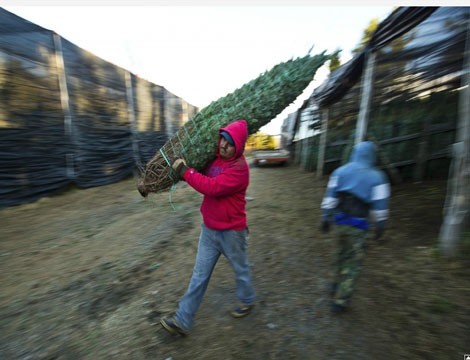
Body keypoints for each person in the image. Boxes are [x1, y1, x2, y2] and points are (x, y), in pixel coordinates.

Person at [160, 119, 256, 336]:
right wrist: (187, 164)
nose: (223, 145)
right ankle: (182, 320)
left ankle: (247, 299)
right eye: (223, 139)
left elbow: (211, 187)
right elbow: (201, 172)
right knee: (199, 275)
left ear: (238, 147)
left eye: (229, 144)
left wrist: (185, 170)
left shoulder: (239, 169)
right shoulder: (216, 160)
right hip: (210, 230)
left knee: (241, 269)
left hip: (232, 232)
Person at [320, 141, 390, 313]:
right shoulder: (378, 177)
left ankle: (335, 284)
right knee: (352, 263)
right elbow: (380, 206)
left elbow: (331, 198)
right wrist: (380, 227)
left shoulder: (340, 172)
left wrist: (325, 218)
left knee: (340, 254)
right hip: (359, 227)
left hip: (340, 223)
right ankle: (341, 300)